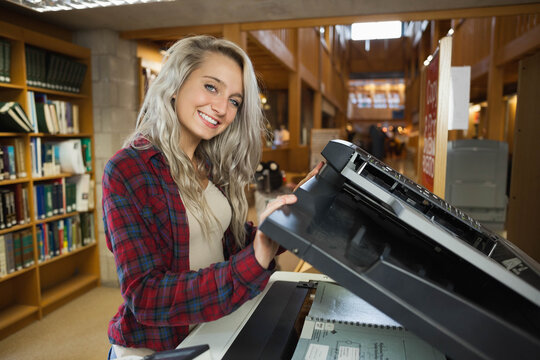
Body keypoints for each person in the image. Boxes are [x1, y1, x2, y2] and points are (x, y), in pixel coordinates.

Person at [102, 35, 322, 358]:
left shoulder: (212, 164)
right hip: (158, 349)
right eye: (211, 87)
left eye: (234, 100)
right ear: (175, 85)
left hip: (214, 328)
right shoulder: (127, 171)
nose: (221, 108)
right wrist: (253, 261)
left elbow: (224, 243)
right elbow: (146, 297)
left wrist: (289, 214)